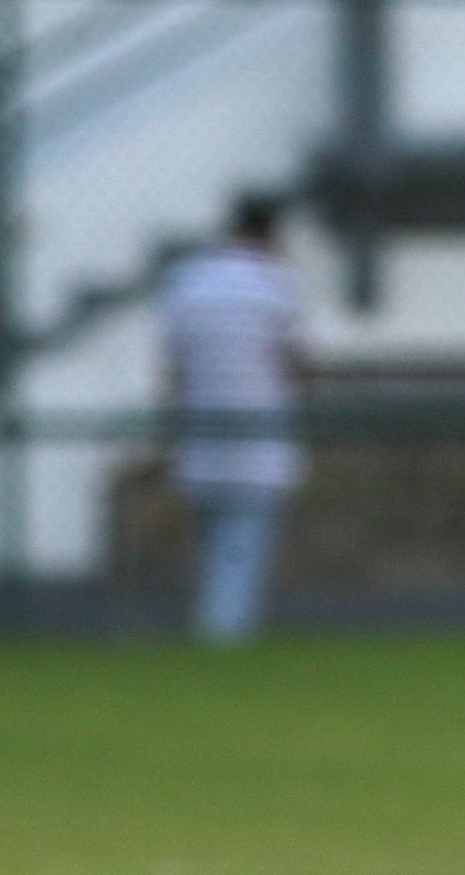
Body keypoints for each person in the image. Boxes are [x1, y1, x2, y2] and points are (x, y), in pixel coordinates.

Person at [161, 195, 306, 645]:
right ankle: (223, 638)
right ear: (272, 233)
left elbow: (173, 368)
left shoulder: (189, 279)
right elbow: (292, 362)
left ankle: (212, 628)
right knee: (241, 547)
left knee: (210, 544)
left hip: (200, 432)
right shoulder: (275, 284)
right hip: (258, 435)